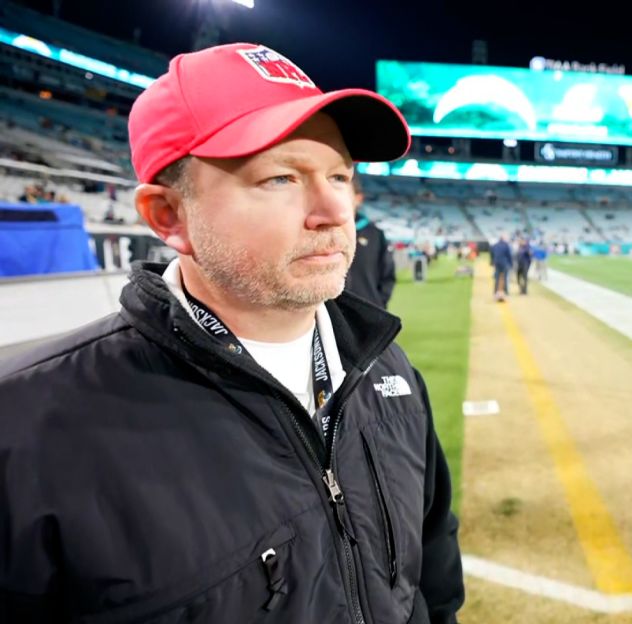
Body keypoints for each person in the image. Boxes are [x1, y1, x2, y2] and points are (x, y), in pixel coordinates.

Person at [0, 43, 463, 623]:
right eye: (280, 178)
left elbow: (433, 578)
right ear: (169, 216)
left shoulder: (385, 370)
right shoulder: (29, 429)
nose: (332, 209)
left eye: (340, 174)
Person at [345, 177, 396, 308]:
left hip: (367, 311)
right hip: (330, 316)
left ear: (358, 199)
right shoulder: (324, 231)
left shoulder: (375, 235)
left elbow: (387, 275)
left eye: (345, 193)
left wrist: (378, 303)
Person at [490, 233, 512, 301]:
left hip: (497, 263)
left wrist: (492, 262)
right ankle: (505, 292)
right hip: (504, 264)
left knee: (497, 278)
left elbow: (492, 254)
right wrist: (511, 264)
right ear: (503, 239)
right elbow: (509, 255)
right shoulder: (506, 245)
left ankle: (495, 291)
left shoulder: (495, 245)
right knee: (505, 278)